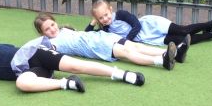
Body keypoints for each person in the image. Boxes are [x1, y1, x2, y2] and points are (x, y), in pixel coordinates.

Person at [0, 39, 146, 91]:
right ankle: (67, 83)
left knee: (76, 66)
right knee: (22, 84)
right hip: (34, 72)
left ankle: (123, 74)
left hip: (37, 54)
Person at [33, 12, 188, 71]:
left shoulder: (65, 30)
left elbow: (84, 33)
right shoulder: (51, 43)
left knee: (135, 45)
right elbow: (41, 51)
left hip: (103, 37)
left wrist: (92, 24)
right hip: (96, 47)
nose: (52, 29)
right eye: (47, 29)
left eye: (52, 24)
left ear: (55, 22)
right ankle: (162, 61)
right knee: (127, 52)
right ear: (42, 33)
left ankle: (175, 54)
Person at [86, 0, 212, 62]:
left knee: (182, 30)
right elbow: (87, 35)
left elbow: (137, 25)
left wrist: (127, 41)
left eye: (106, 14)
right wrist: (93, 22)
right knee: (181, 40)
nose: (105, 19)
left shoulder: (121, 14)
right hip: (148, 38)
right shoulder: (105, 29)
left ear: (110, 9)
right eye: (101, 18)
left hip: (150, 26)